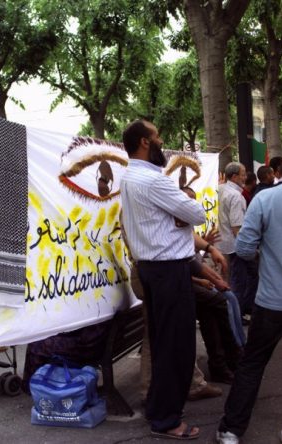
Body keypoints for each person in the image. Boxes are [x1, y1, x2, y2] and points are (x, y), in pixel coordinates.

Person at [120, 119, 205, 440]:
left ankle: (160, 409)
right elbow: (197, 214)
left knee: (162, 343)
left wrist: (177, 216)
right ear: (144, 142)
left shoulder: (132, 177)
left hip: (154, 270)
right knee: (175, 347)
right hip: (168, 271)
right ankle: (168, 420)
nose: (162, 141)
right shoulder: (155, 181)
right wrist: (182, 216)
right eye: (157, 137)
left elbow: (183, 215)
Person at [216, 180, 282, 444]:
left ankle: (231, 430)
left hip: (272, 300)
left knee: (253, 363)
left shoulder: (266, 199)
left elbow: (243, 248)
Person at [217, 162, 258, 320]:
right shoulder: (236, 196)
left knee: (239, 278)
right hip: (235, 245)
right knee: (239, 280)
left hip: (222, 243)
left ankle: (240, 309)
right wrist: (248, 248)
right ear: (234, 177)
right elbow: (237, 228)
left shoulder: (220, 189)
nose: (245, 177)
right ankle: (237, 313)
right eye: (243, 174)